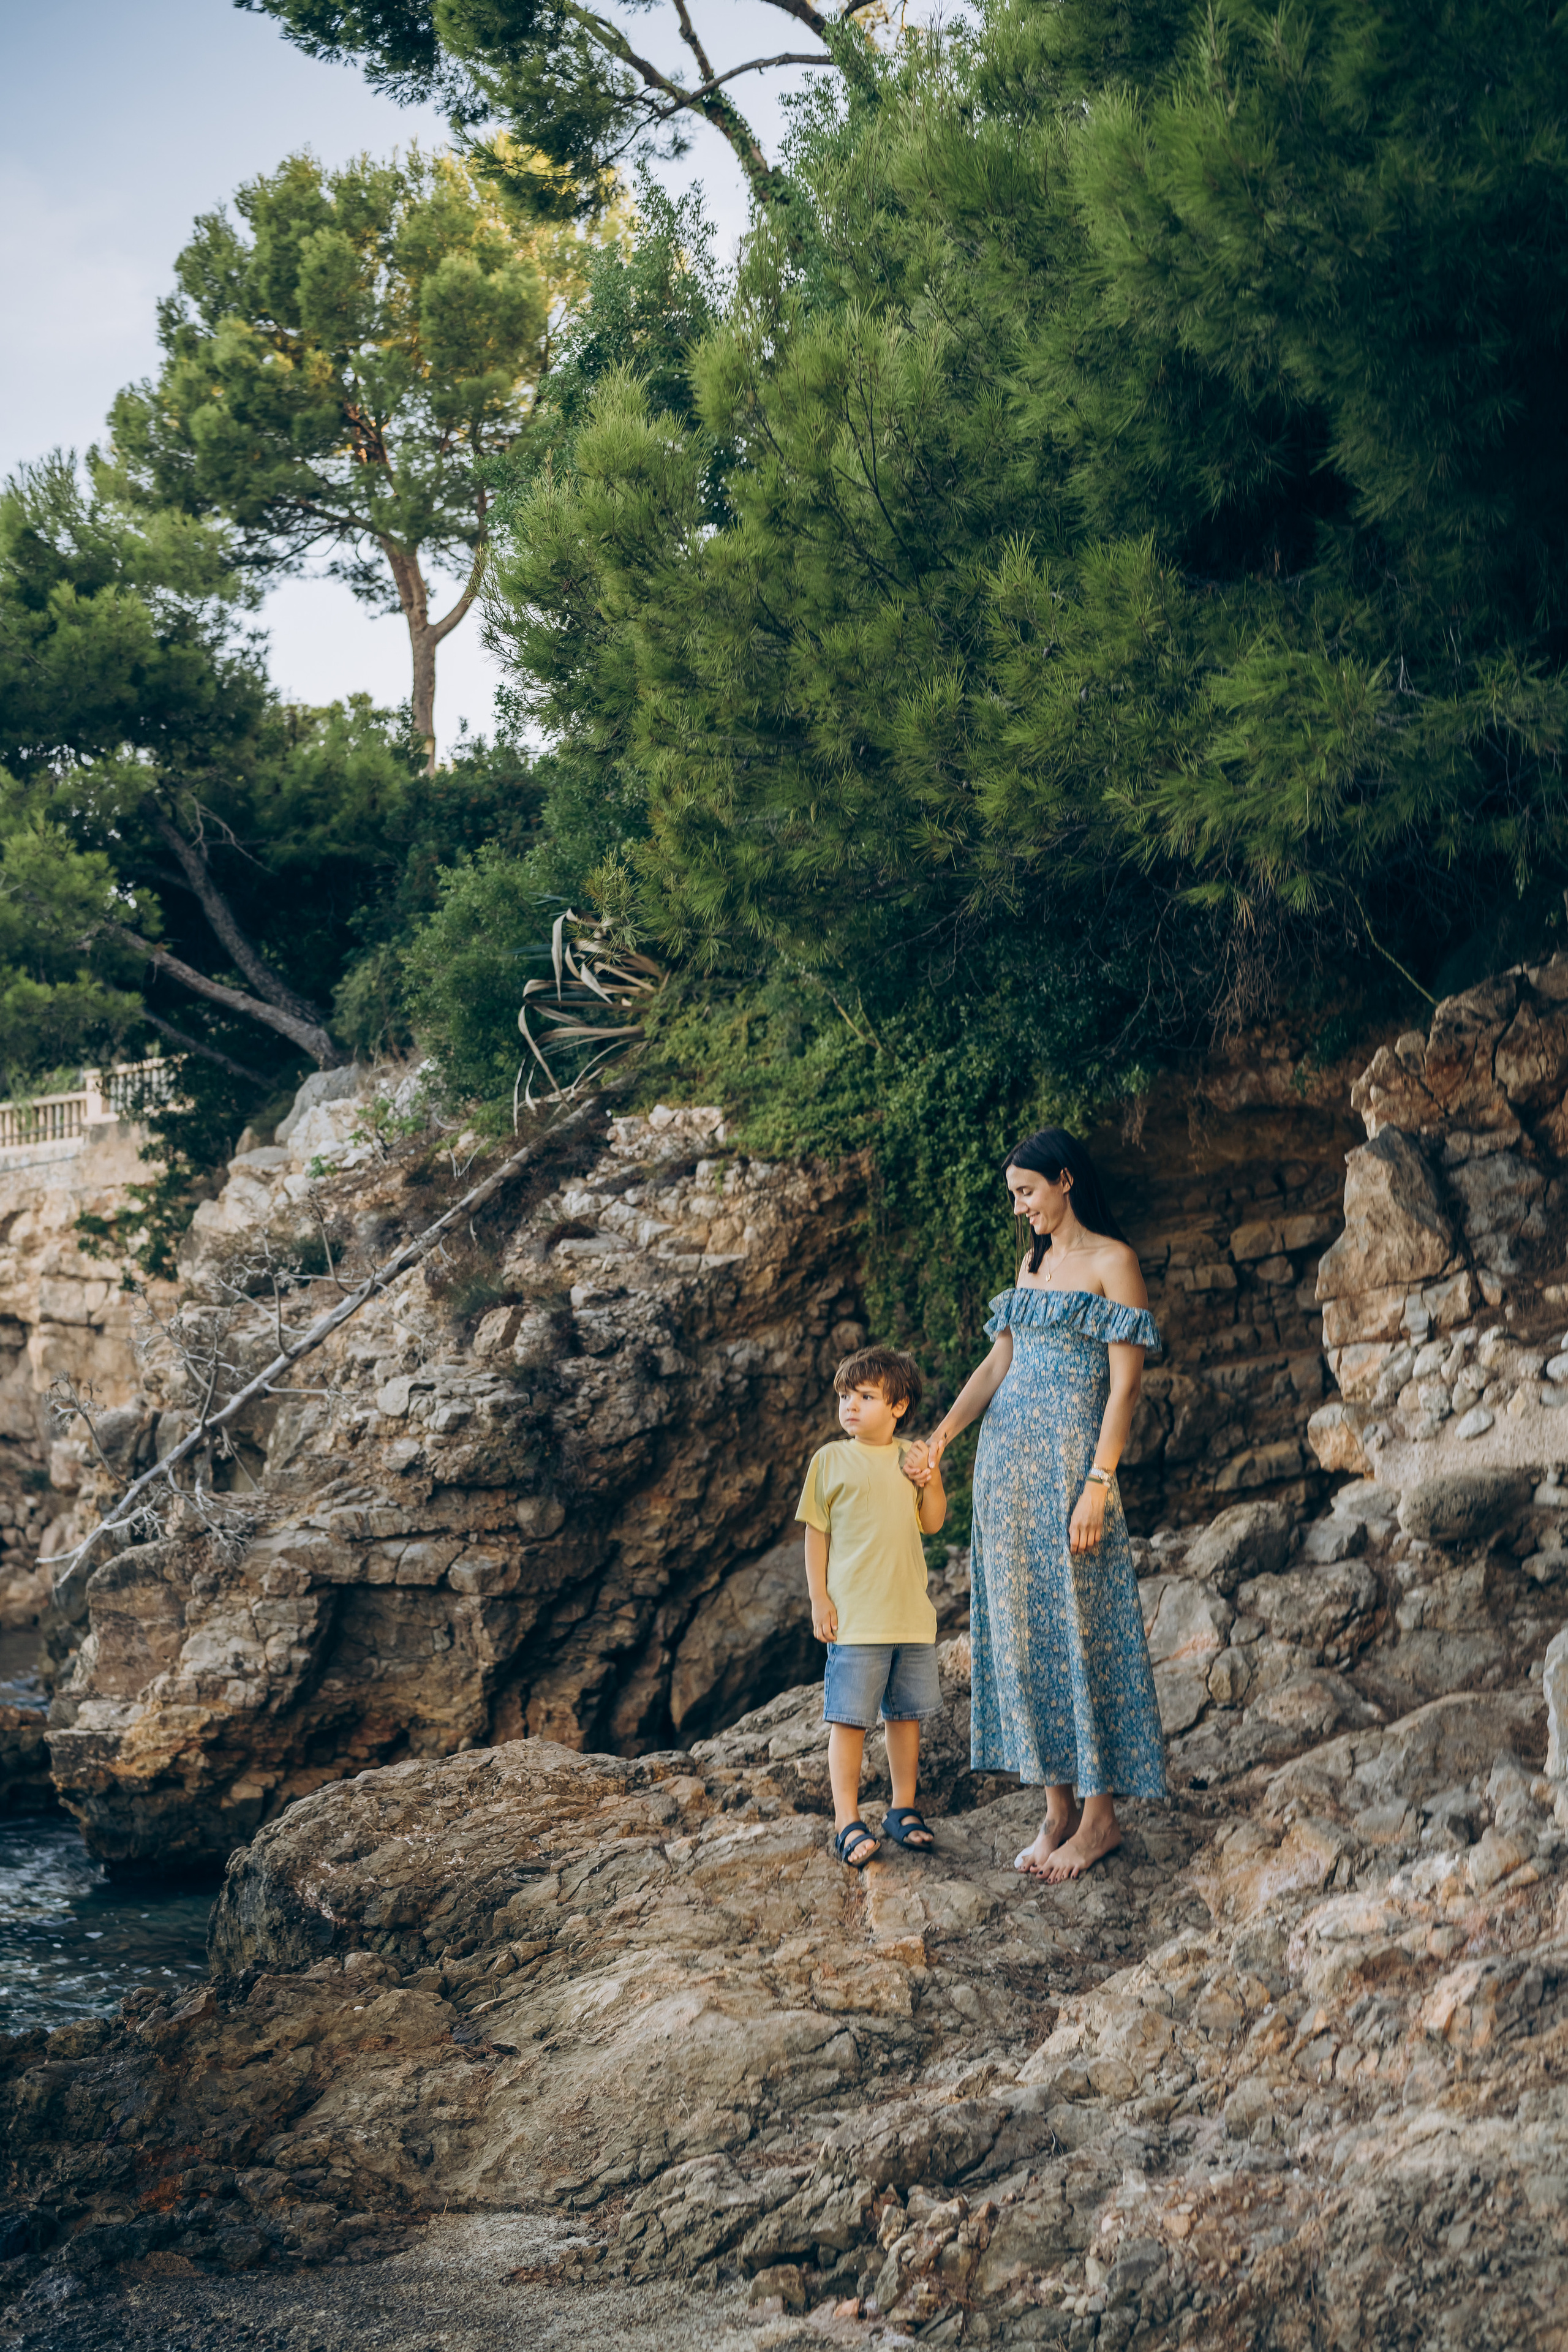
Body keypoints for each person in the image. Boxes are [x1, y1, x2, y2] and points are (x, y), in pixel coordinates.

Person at [910, 1131, 1164, 1881]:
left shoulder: (1113, 1262)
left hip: (1068, 1475)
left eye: (1027, 1193)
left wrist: (1099, 1481)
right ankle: (1055, 1808)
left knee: (1084, 1632)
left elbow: (1125, 1388)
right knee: (1025, 1636)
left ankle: (1100, 1820)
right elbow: (999, 1362)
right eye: (1014, 1198)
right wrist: (943, 1437)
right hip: (1004, 1474)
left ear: (1064, 1180)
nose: (1020, 1209)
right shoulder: (1031, 1263)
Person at [797, 1346, 948, 1869]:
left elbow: (933, 1522)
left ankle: (903, 1808)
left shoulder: (912, 1456)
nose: (851, 1406)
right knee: (850, 1721)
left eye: (865, 1396)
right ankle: (847, 1819)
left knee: (907, 1718)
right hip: (856, 1620)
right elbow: (816, 1537)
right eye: (845, 1396)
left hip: (909, 1616)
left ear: (899, 1406)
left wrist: (929, 1479)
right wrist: (820, 1600)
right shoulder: (829, 1460)